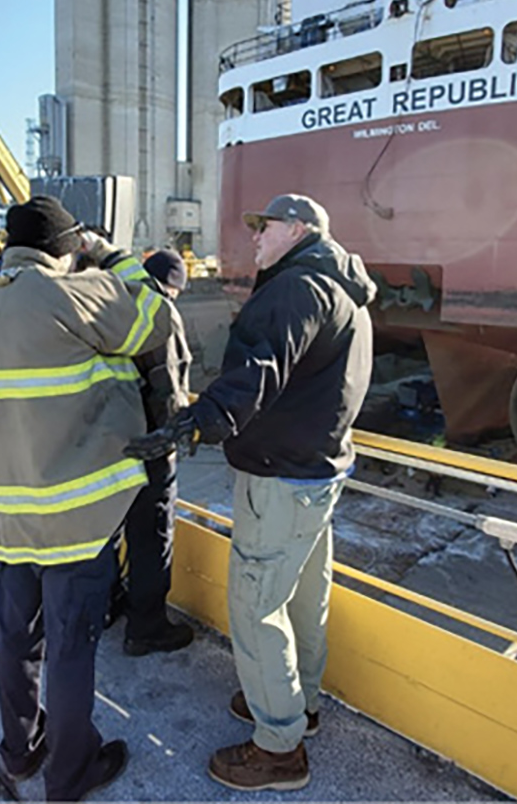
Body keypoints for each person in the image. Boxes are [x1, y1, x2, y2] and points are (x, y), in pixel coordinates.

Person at [127, 193, 375, 792]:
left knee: (256, 605)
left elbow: (259, 367)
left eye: (264, 228)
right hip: (319, 472)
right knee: (304, 595)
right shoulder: (347, 294)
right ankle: (300, 705)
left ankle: (278, 748)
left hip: (280, 475)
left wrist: (198, 420)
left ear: (296, 229)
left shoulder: (295, 289)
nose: (255, 238)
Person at [0, 196, 172, 801]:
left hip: (4, 516)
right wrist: (114, 257)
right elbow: (155, 316)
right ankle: (69, 776)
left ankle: (19, 752)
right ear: (66, 250)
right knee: (70, 646)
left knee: (18, 636)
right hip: (77, 518)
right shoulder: (73, 293)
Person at [112, 248, 194, 656]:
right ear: (171, 284)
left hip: (108, 443)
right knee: (151, 535)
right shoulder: (158, 310)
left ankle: (108, 605)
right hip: (148, 445)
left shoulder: (111, 302)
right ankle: (146, 627)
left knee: (109, 530)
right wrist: (174, 437)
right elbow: (169, 383)